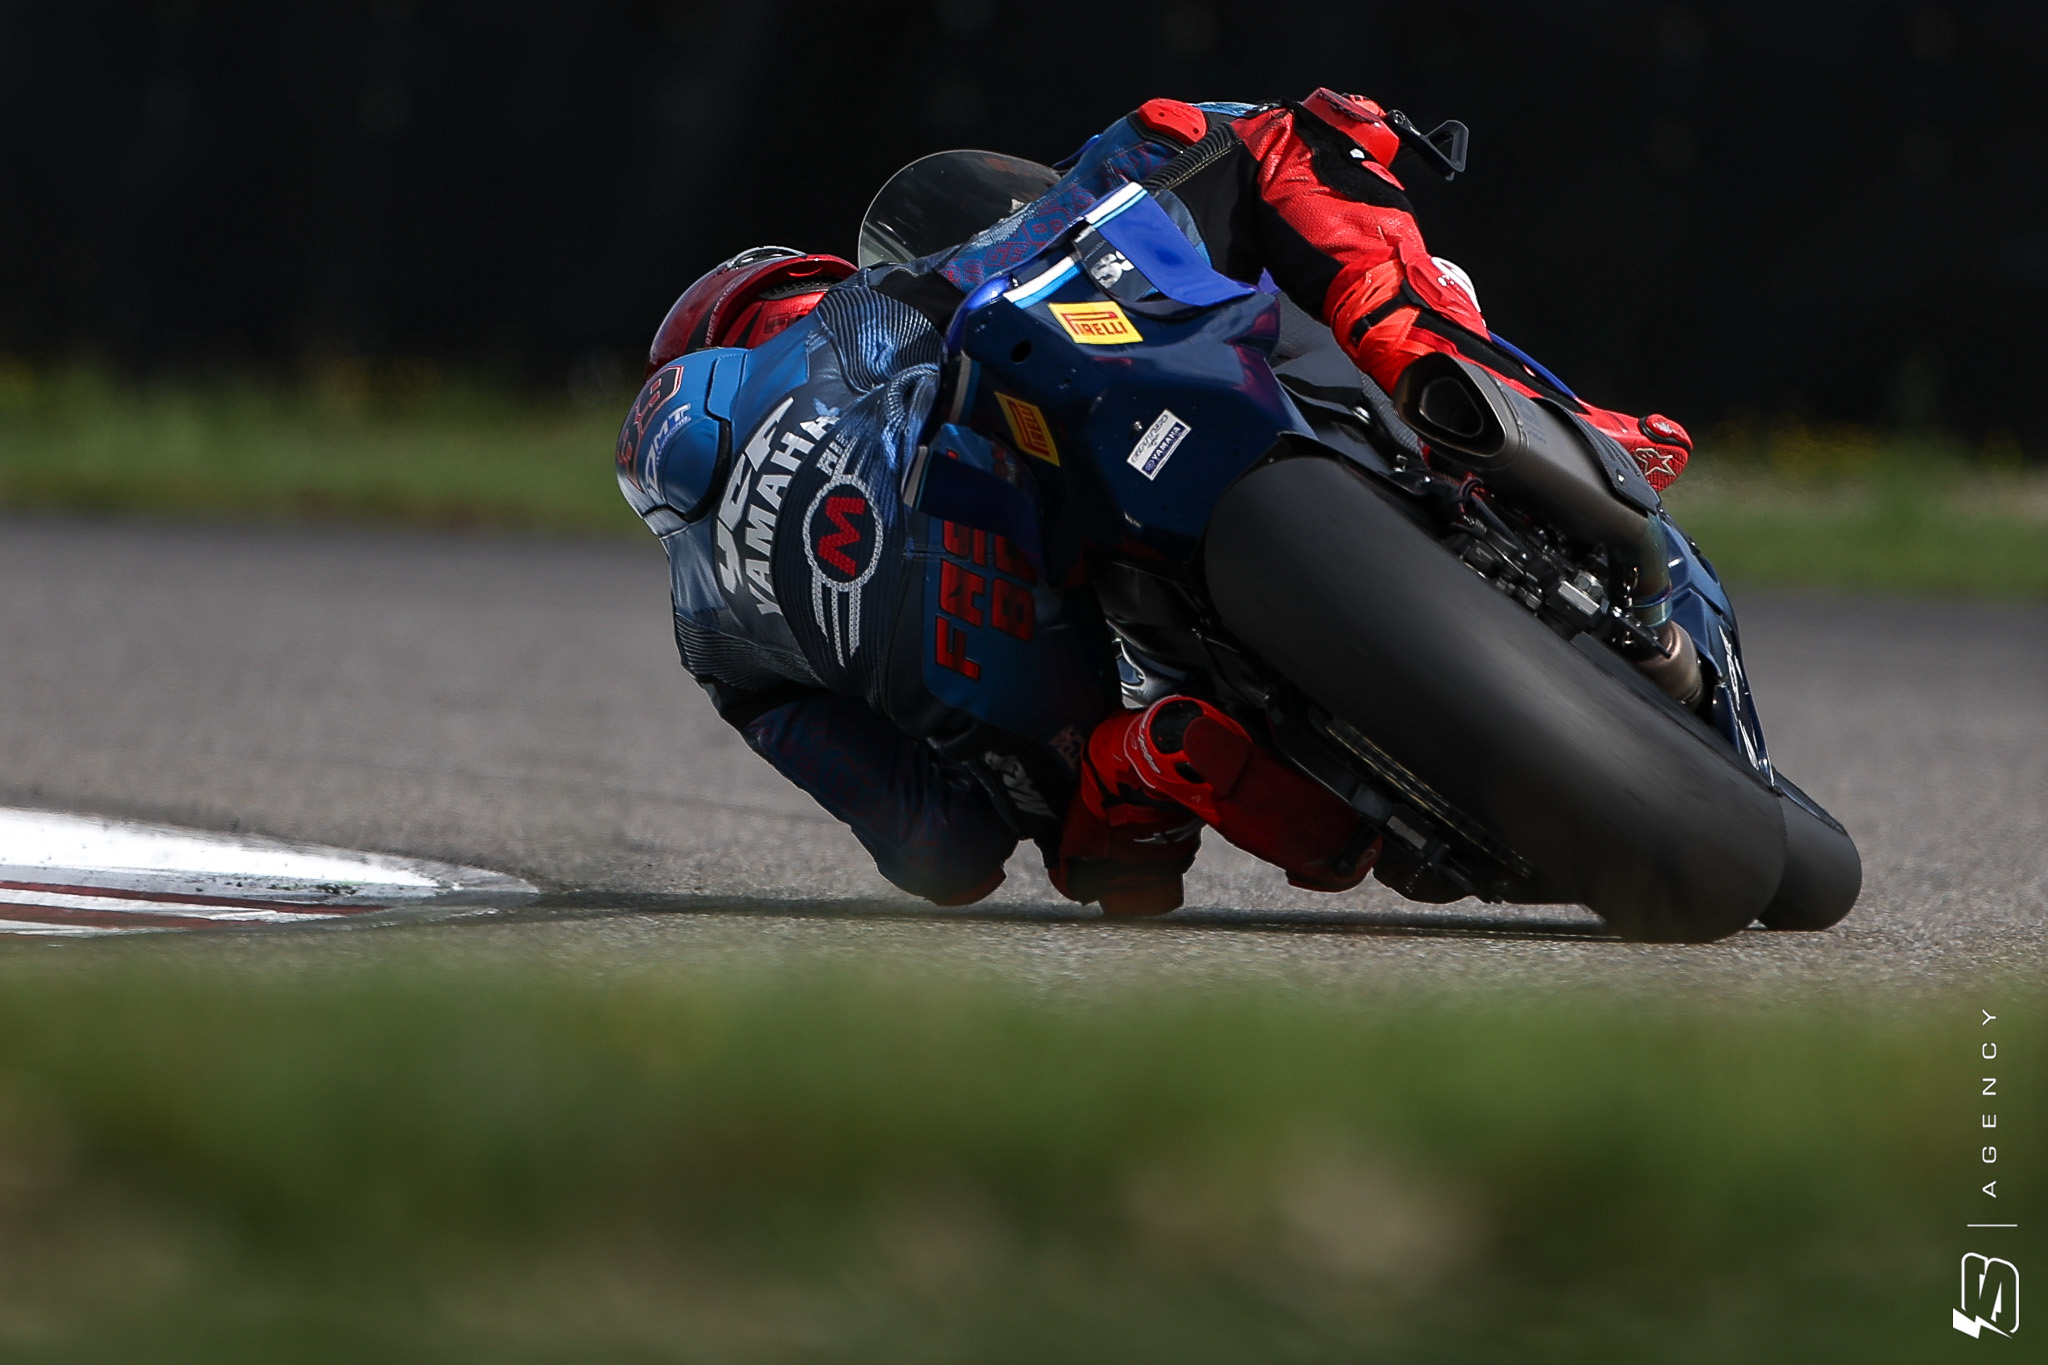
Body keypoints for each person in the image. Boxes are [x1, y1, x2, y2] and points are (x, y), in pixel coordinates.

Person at [614, 91, 1695, 915]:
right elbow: (1168, 144)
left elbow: (942, 855)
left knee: (1098, 839)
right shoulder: (871, 308)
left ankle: (1151, 761)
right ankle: (1484, 391)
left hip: (1051, 705)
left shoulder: (712, 636)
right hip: (1035, 487)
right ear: (788, 298)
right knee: (1269, 136)